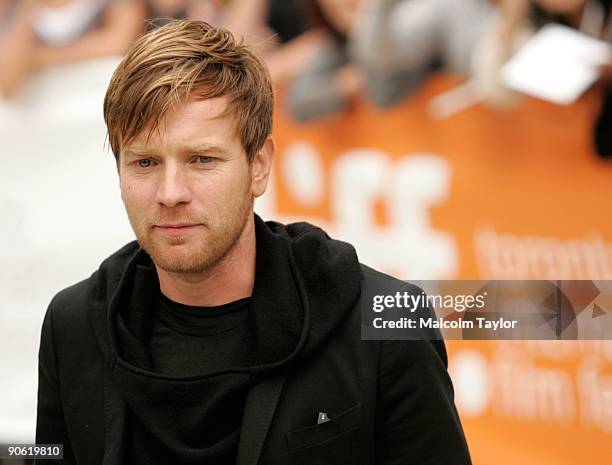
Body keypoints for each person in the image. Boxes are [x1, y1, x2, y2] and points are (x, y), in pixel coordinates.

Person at [35, 20, 472, 465]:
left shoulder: (384, 322)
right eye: (145, 162)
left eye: (201, 160)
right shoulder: (73, 326)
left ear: (259, 166)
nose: (169, 193)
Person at [0, 0, 145, 97]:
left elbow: (121, 44)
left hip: (102, 105)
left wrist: (43, 58)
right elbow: (7, 84)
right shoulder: (21, 8)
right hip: (48, 123)